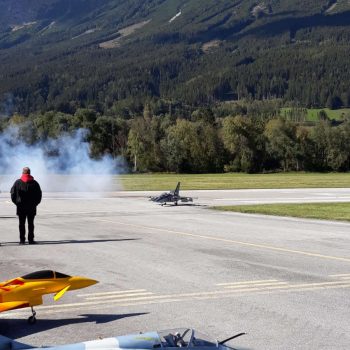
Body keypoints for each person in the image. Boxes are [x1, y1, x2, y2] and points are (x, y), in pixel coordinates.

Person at [11, 167, 42, 245]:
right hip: (31, 207)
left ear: (23, 173)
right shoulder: (35, 183)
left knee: (21, 224)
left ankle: (22, 241)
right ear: (30, 173)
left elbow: (13, 195)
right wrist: (35, 204)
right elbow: (39, 195)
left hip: (21, 207)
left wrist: (17, 203)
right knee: (31, 224)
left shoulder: (17, 182)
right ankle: (31, 240)